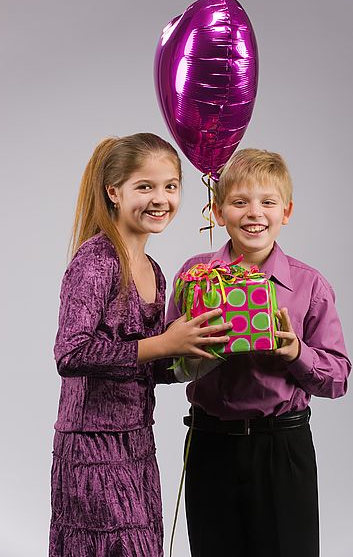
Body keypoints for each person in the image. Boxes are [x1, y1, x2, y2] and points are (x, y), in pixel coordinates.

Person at [49, 132, 231, 557]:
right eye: (145, 186)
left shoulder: (154, 269)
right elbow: (70, 353)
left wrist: (203, 353)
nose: (160, 199)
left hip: (136, 442)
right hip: (90, 446)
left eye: (170, 186)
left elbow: (147, 364)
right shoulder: (96, 261)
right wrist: (165, 342)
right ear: (114, 191)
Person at [166, 148, 352, 557]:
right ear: (218, 212)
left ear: (285, 212)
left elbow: (338, 378)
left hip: (281, 448)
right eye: (239, 202)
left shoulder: (310, 285)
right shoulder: (193, 277)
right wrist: (193, 351)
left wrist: (296, 353)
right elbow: (167, 364)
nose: (254, 213)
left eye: (267, 202)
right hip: (209, 442)